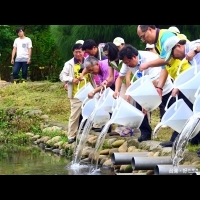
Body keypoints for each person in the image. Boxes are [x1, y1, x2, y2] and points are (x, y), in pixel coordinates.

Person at [136, 25, 192, 147]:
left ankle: (177, 139)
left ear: (150, 29)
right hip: (181, 78)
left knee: (185, 108)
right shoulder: (158, 42)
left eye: (143, 36)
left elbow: (166, 60)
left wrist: (148, 64)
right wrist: (159, 87)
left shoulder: (165, 37)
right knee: (187, 108)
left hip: (188, 74)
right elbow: (165, 66)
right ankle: (191, 138)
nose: (143, 40)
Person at [113, 44, 176, 143]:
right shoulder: (127, 62)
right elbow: (120, 77)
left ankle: (178, 135)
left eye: (128, 63)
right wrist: (116, 90)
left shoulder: (150, 59)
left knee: (172, 111)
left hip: (163, 88)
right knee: (139, 111)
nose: (128, 65)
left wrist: (145, 102)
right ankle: (145, 133)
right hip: (144, 88)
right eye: (126, 63)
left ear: (134, 56)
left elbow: (154, 82)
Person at [163, 35, 200, 145]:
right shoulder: (189, 57)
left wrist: (195, 50)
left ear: (178, 46)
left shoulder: (192, 46)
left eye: (173, 54)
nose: (174, 58)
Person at [59, 43, 95, 144]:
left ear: (84, 52)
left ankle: (90, 133)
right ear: (73, 52)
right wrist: (71, 79)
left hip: (89, 92)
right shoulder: (69, 64)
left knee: (92, 112)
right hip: (76, 94)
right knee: (74, 115)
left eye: (80, 51)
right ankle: (71, 135)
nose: (78, 54)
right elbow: (62, 76)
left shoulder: (88, 62)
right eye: (76, 52)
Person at [102, 42, 134, 136]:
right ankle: (122, 127)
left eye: (108, 55)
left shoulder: (123, 58)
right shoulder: (110, 61)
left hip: (133, 80)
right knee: (120, 103)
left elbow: (128, 77)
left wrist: (128, 92)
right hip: (123, 82)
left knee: (133, 104)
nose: (107, 57)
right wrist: (106, 81)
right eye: (106, 55)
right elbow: (111, 77)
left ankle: (136, 128)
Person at [145, 43, 167, 127]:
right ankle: (148, 121)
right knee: (148, 103)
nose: (149, 51)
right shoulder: (147, 60)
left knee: (162, 102)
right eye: (148, 49)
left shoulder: (160, 58)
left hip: (162, 83)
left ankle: (164, 120)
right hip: (151, 83)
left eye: (151, 49)